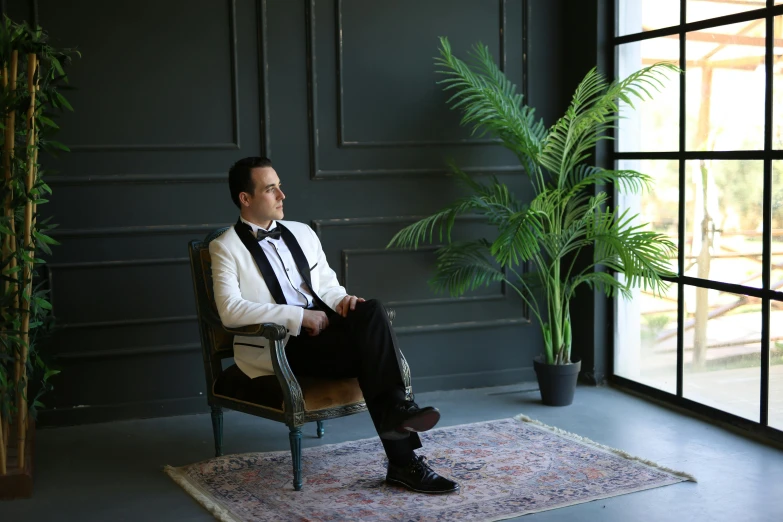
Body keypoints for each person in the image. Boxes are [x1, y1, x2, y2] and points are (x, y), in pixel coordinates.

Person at [209, 156, 459, 494]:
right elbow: (230, 311)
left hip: (324, 334)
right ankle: (403, 453)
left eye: (280, 186)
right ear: (245, 198)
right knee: (375, 357)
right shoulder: (225, 247)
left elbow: (326, 284)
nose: (282, 195)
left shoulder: (302, 232)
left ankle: (398, 418)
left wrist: (342, 300)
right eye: (271, 189)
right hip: (284, 346)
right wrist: (298, 317)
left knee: (371, 311)